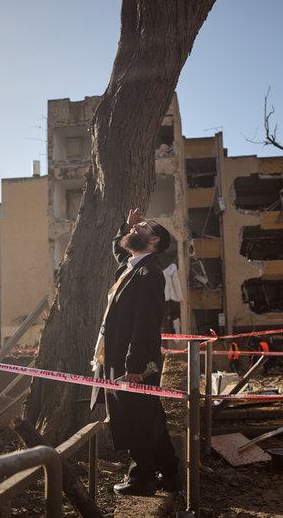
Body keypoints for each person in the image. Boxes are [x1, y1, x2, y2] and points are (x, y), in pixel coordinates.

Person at [90, 208, 181, 497]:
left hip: (134, 362)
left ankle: (142, 479)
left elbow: (147, 323)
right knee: (150, 415)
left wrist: (136, 363)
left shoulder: (149, 272)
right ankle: (171, 472)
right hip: (120, 356)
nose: (134, 228)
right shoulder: (132, 265)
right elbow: (119, 249)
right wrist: (126, 227)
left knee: (135, 417)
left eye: (142, 227)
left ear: (154, 239)